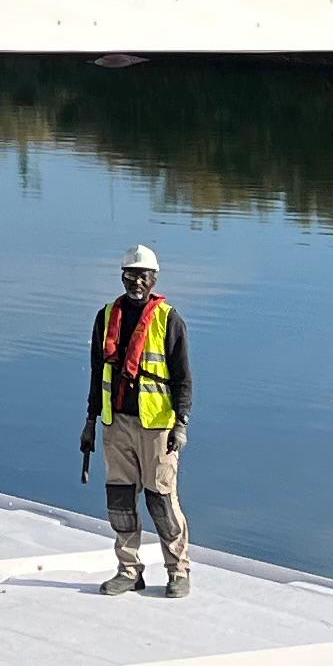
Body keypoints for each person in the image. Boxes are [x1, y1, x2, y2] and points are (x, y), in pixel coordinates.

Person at [80, 240, 191, 597]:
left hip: (157, 426)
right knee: (121, 501)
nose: (136, 282)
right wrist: (90, 421)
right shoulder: (107, 315)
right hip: (117, 424)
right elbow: (98, 373)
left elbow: (183, 377)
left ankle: (177, 571)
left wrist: (181, 424)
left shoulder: (168, 319)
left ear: (154, 278)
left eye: (143, 276)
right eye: (130, 275)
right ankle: (129, 570)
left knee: (161, 500)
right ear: (122, 276)